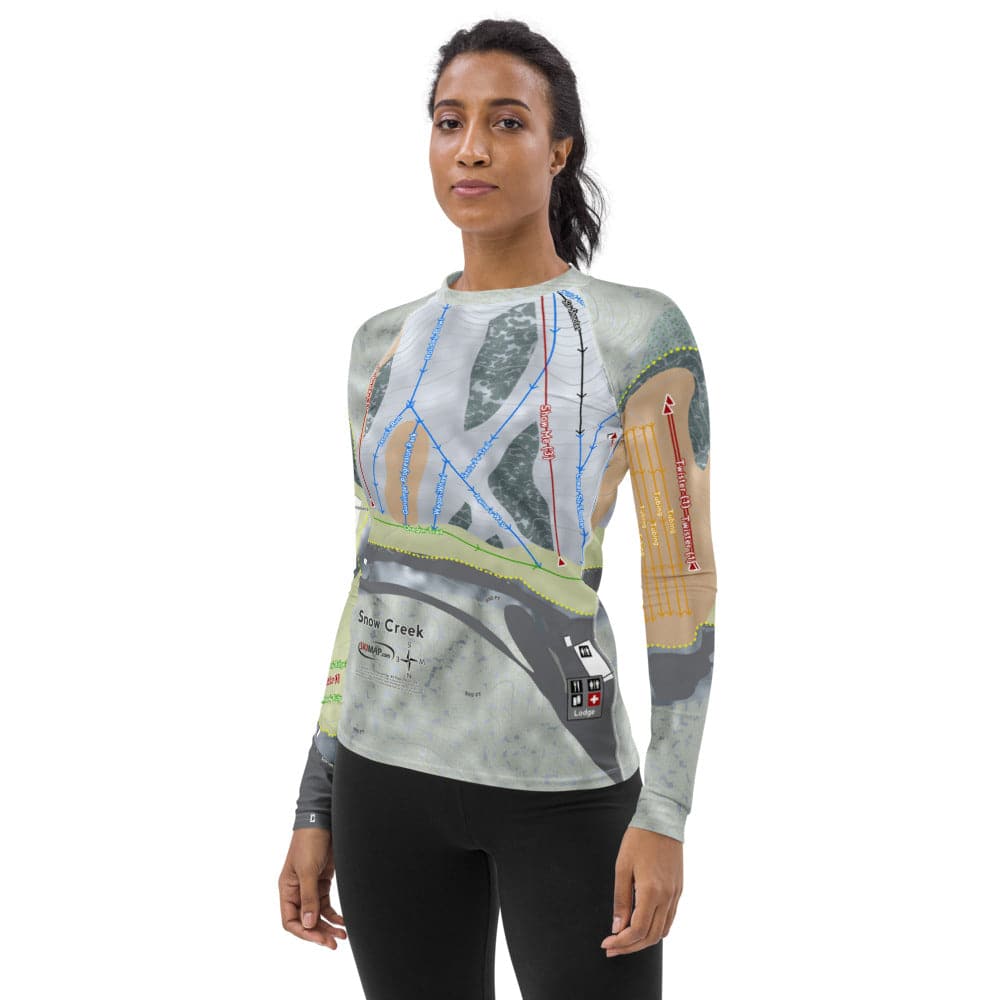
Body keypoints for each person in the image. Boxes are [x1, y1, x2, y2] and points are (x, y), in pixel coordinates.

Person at [277, 18, 717, 1000]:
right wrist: (316, 798)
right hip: (383, 784)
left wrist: (666, 810)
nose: (470, 147)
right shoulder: (379, 344)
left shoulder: (638, 332)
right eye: (449, 121)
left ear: (559, 150)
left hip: (565, 787)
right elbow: (369, 573)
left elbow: (681, 584)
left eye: (506, 121)